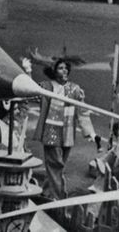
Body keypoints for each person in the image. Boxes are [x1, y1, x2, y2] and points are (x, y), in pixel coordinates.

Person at [34, 57, 99, 200]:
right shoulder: (45, 87)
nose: (64, 71)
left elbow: (82, 112)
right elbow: (30, 92)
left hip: (67, 134)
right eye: (60, 68)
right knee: (55, 165)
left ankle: (46, 192)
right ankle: (58, 197)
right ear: (53, 71)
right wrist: (27, 70)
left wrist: (91, 133)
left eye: (65, 68)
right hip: (50, 132)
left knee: (58, 167)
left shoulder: (75, 89)